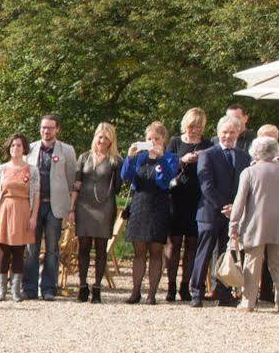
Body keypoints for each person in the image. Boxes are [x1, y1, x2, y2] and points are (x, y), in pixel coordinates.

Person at [230, 136, 279, 312]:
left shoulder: (249, 172)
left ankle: (248, 301)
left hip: (255, 222)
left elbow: (239, 201)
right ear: (275, 151)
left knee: (252, 261)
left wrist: (233, 224)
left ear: (254, 152)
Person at [120, 122, 179, 304]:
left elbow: (165, 181)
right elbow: (126, 177)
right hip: (139, 204)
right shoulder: (140, 157)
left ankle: (152, 294)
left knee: (155, 250)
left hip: (159, 205)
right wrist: (130, 158)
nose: (152, 142)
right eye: (149, 139)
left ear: (164, 140)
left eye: (157, 139)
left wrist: (159, 159)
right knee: (139, 251)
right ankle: (135, 291)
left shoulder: (171, 158)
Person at [190, 116, 246, 308]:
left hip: (233, 214)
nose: (228, 136)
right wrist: (225, 208)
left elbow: (244, 187)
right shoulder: (207, 154)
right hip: (210, 212)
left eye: (231, 132)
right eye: (224, 132)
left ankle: (224, 293)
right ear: (218, 133)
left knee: (226, 254)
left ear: (238, 133)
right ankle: (196, 292)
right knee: (204, 253)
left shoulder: (244, 156)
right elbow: (206, 185)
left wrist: (236, 208)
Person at [22, 114, 80, 300]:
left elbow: (72, 180)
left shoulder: (67, 150)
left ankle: (48, 289)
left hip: (55, 207)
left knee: (52, 250)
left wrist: (71, 208)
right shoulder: (29, 149)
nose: (46, 131)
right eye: (43, 128)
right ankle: (29, 288)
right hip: (33, 207)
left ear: (57, 129)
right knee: (31, 249)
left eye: (50, 128)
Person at [73, 122, 121, 303]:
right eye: (100, 136)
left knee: (101, 248)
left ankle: (98, 287)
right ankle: (83, 285)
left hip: (105, 207)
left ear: (111, 141)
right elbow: (76, 184)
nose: (102, 140)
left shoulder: (115, 160)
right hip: (84, 206)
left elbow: (117, 188)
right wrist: (71, 207)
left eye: (106, 138)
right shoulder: (84, 157)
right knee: (83, 247)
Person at [167, 108, 211, 302]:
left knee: (192, 244)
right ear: (186, 125)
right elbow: (165, 166)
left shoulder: (207, 144)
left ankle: (186, 285)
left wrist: (203, 159)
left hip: (197, 199)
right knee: (174, 243)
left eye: (199, 127)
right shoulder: (175, 142)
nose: (195, 131)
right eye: (192, 126)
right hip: (176, 197)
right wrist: (181, 160)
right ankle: (171, 285)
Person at [0, 134, 38, 302]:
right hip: (4, 210)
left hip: (23, 210)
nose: (15, 148)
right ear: (9, 148)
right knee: (3, 251)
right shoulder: (0, 169)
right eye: (13, 145)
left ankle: (16, 290)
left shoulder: (32, 170)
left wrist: (33, 217)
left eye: (19, 145)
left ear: (24, 148)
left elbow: (36, 195)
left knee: (18, 252)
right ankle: (1, 290)